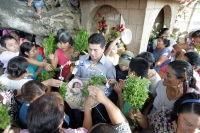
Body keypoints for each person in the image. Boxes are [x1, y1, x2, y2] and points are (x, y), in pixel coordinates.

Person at [74, 33, 116, 125]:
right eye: (90, 49)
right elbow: (77, 74)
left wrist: (103, 92)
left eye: (95, 50)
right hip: (81, 94)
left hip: (98, 100)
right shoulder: (82, 59)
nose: (92, 53)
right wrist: (76, 82)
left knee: (100, 119)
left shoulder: (109, 66)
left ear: (103, 48)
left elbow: (111, 87)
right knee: (78, 116)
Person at [129, 93, 200, 133]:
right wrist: (139, 116)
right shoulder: (163, 117)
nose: (194, 132)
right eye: (188, 124)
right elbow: (148, 125)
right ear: (178, 112)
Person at [113, 57, 149, 127]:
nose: (128, 72)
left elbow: (124, 112)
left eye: (129, 70)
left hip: (125, 122)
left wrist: (119, 93)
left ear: (133, 73)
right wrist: (125, 86)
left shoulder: (136, 90)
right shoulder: (144, 82)